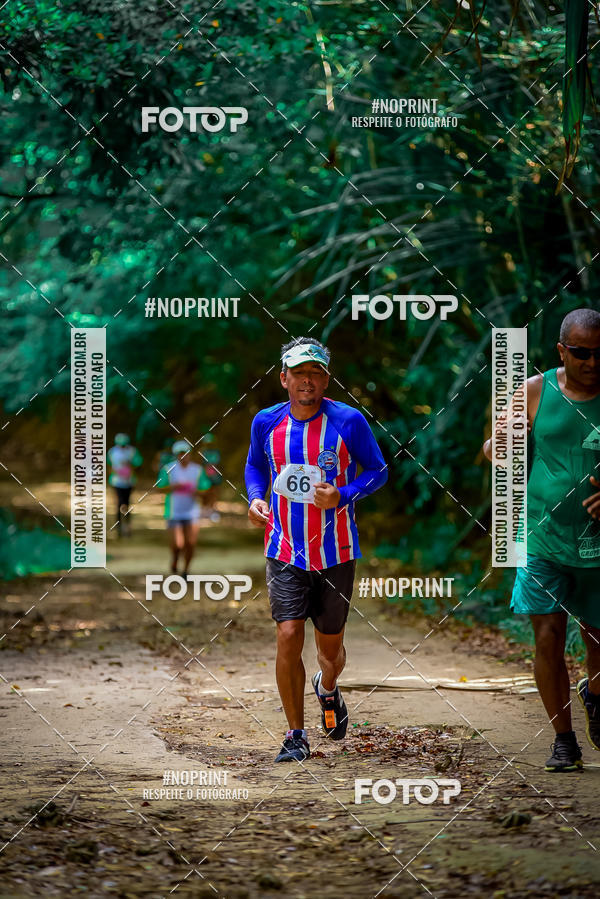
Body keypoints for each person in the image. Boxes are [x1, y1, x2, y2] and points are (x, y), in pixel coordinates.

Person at [245, 338, 388, 763]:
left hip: (336, 551)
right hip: (284, 547)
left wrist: (342, 495)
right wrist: (254, 498)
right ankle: (295, 734)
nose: (308, 380)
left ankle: (328, 688)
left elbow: (378, 471)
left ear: (326, 378)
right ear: (284, 376)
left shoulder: (348, 421)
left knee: (330, 652)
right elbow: (255, 465)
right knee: (288, 634)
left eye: (317, 373)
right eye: (300, 372)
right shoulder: (266, 422)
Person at [483, 308, 600, 772]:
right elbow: (498, 446)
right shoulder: (534, 390)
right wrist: (499, 446)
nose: (592, 362)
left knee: (597, 640)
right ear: (561, 350)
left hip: (596, 545)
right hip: (540, 537)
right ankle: (564, 740)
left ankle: (594, 692)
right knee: (548, 636)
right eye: (582, 353)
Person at [156, 439, 211, 576]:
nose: (183, 456)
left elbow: (205, 489)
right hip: (173, 511)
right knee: (178, 544)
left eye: (185, 453)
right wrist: (174, 487)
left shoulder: (197, 470)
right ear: (176, 455)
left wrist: (196, 491)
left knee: (190, 543)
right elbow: (160, 488)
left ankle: (186, 570)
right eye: (180, 454)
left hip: (192, 511)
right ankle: (175, 560)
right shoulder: (168, 469)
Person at [107, 433, 143, 537]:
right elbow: (109, 465)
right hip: (116, 482)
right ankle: (118, 527)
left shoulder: (132, 451)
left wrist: (130, 468)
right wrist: (115, 471)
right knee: (120, 503)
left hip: (129, 481)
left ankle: (127, 526)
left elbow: (138, 463)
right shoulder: (112, 452)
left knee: (127, 504)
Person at [199, 433, 223, 522]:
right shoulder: (202, 452)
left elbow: (215, 464)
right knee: (204, 493)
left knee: (214, 493)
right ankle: (204, 510)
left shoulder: (216, 452)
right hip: (204, 476)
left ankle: (212, 510)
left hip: (214, 475)